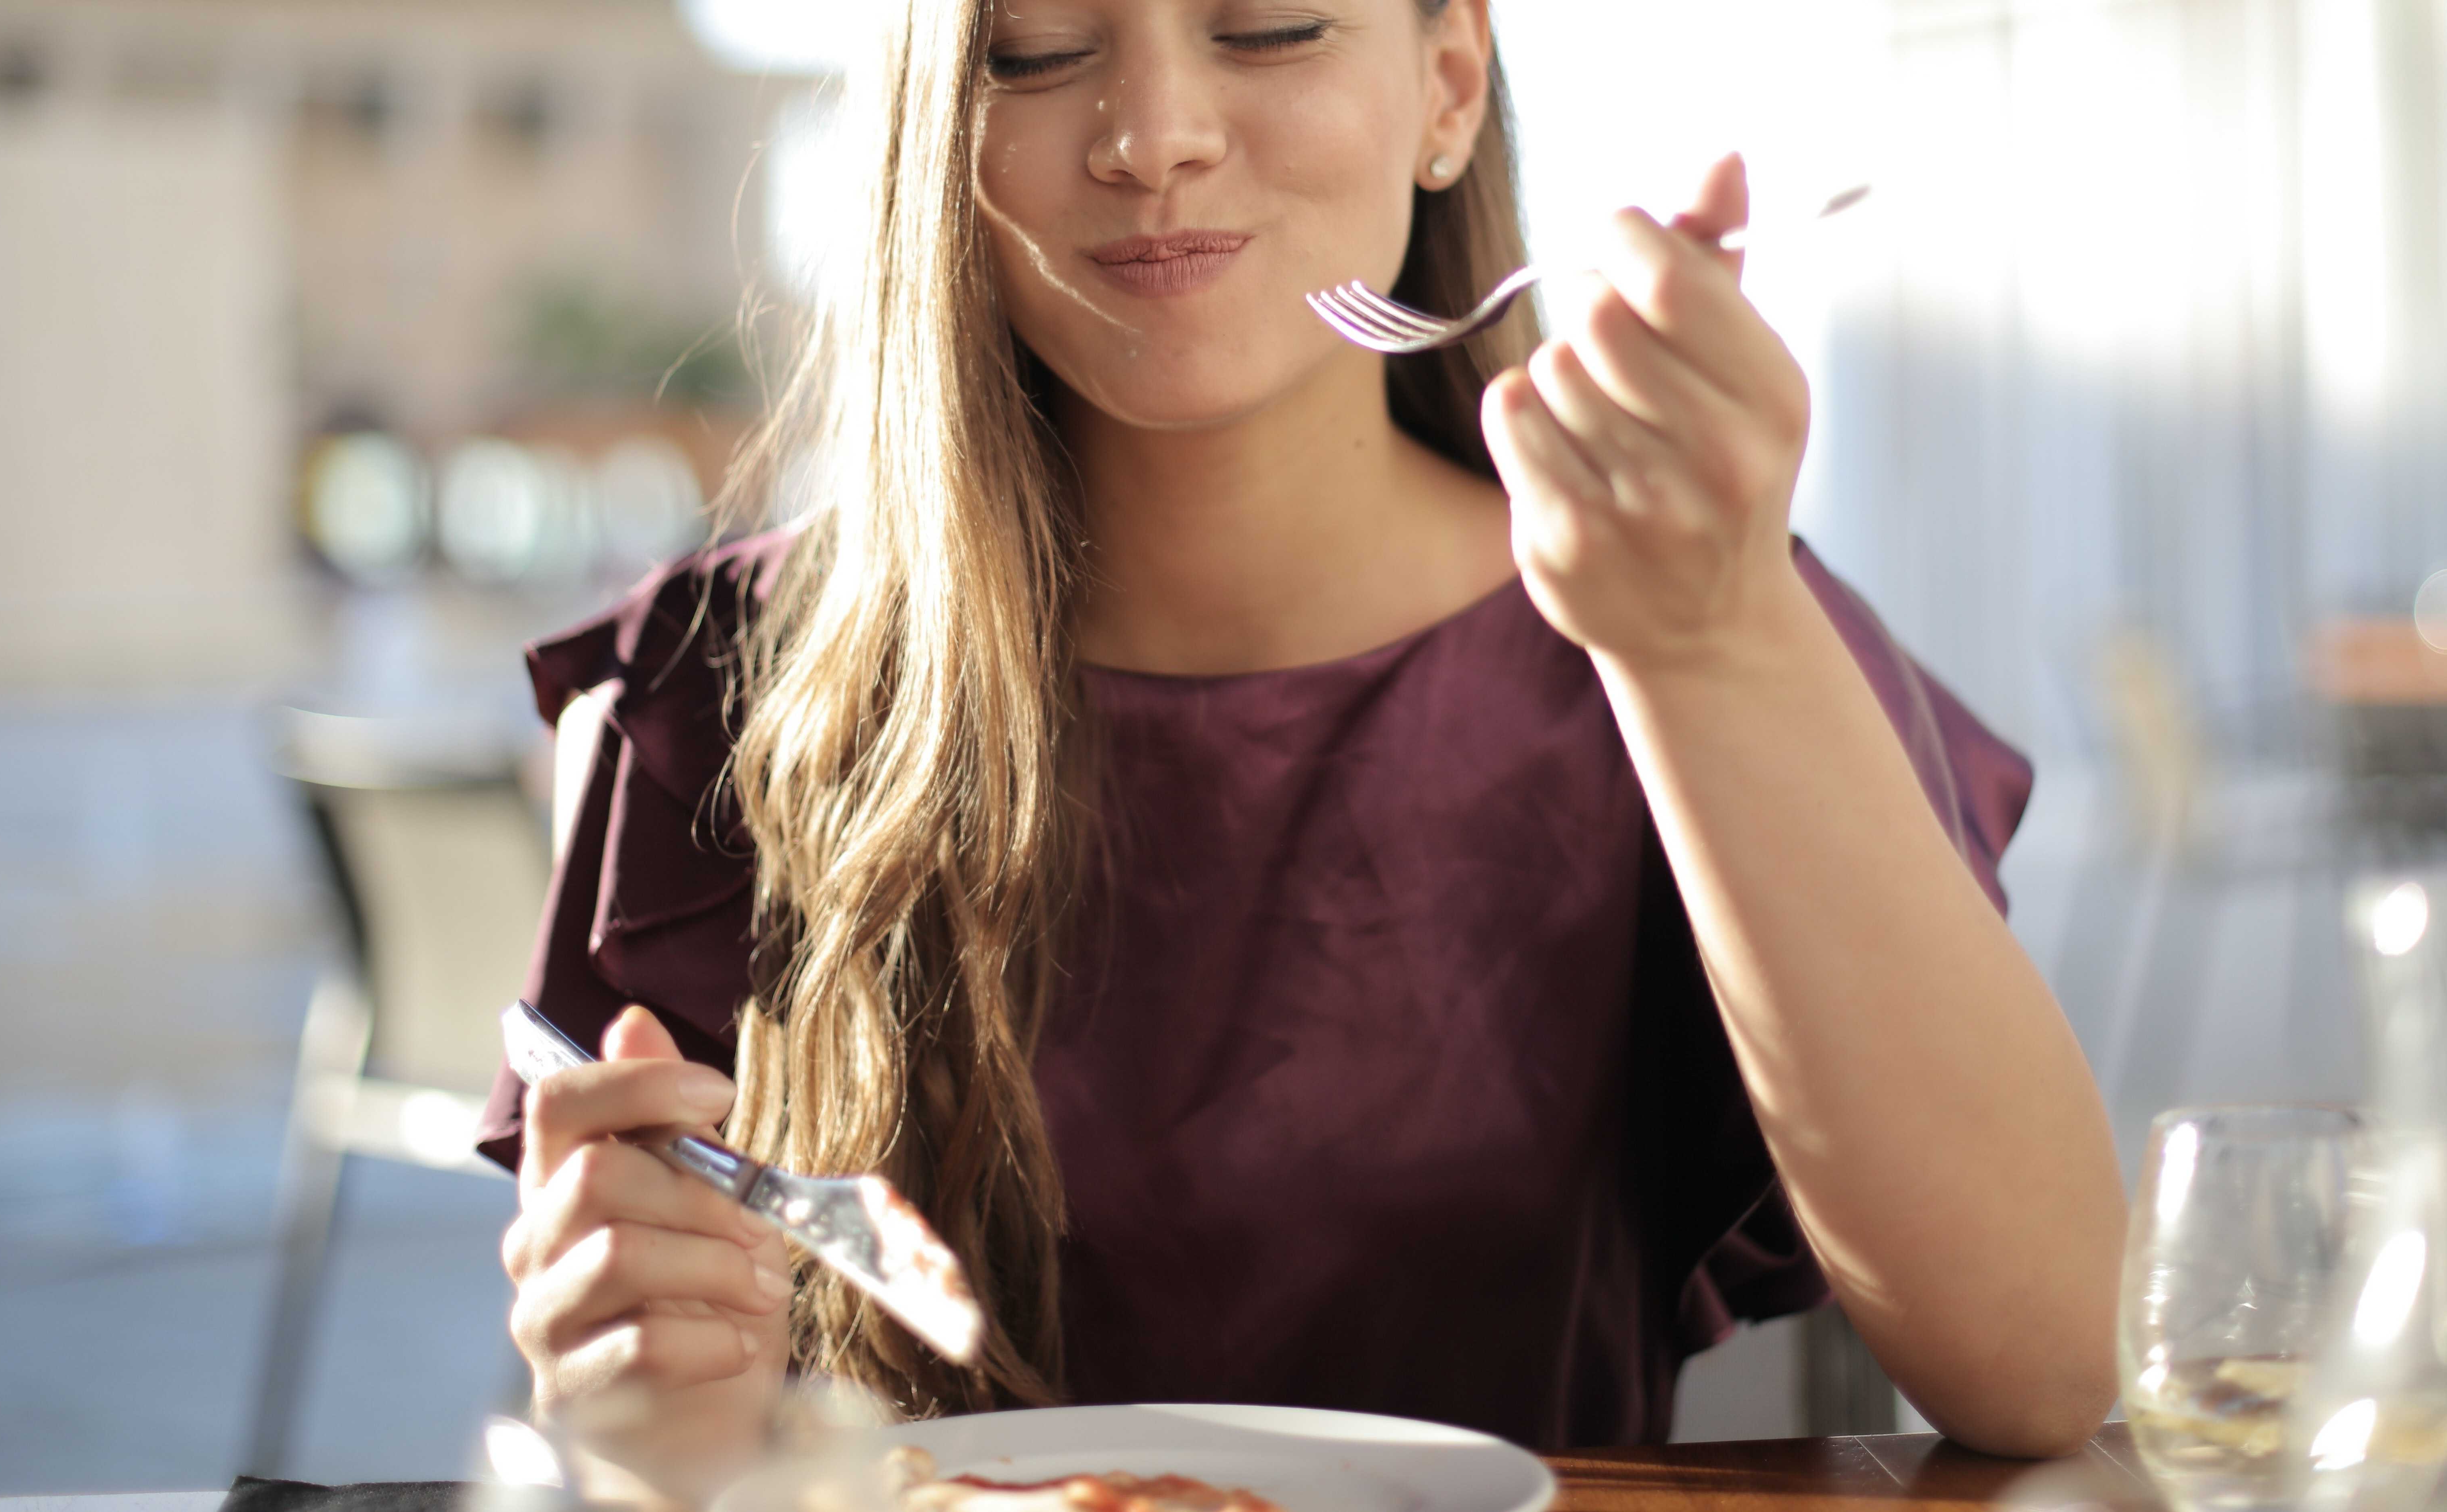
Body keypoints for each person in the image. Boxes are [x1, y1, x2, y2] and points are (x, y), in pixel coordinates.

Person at [479, 0, 2126, 1502]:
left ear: (1448, 87)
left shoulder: (1677, 616)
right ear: (934, 142)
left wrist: (1712, 641)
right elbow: (651, 1426)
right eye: (1038, 54)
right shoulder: (717, 691)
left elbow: (2050, 1361)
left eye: (1267, 27)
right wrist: (640, 1414)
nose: (1153, 136)